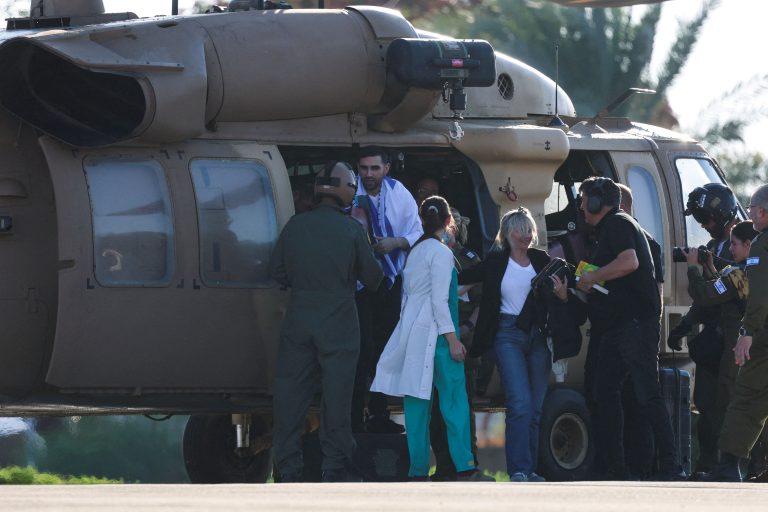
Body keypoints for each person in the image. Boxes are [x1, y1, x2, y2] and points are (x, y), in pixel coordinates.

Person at [270, 161, 384, 483]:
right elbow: (374, 278)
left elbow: (277, 272)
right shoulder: (351, 229)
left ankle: (288, 470)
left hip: (299, 317)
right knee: (337, 397)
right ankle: (334, 468)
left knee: (290, 396)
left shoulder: (295, 226)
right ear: (346, 192)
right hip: (339, 321)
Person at [370, 196, 492, 482]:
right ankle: (464, 468)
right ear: (450, 221)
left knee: (416, 409)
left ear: (422, 221)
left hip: (413, 336)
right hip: (438, 336)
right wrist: (452, 339)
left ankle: (417, 472)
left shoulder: (414, 253)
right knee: (454, 402)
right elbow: (440, 301)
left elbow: (410, 299)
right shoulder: (441, 253)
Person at [575, 176, 682, 481]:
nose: (581, 206)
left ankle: (670, 468)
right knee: (604, 389)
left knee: (647, 395)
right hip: (619, 325)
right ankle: (615, 467)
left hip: (635, 325)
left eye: (584, 199)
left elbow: (630, 261)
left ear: (598, 201)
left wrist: (594, 278)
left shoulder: (618, 223)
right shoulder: (613, 227)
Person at [459, 207, 568, 482]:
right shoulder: (496, 262)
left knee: (536, 406)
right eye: (520, 229)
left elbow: (568, 291)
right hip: (507, 333)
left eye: (529, 228)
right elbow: (463, 279)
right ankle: (518, 469)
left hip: (539, 335)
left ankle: (528, 469)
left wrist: (562, 295)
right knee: (519, 402)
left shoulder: (542, 260)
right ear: (507, 234)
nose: (526, 234)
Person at [685, 220, 768, 480]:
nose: (730, 249)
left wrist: (691, 267)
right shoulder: (743, 271)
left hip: (746, 347)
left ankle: (726, 465)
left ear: (748, 244)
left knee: (736, 405)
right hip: (753, 343)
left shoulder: (739, 273)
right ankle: (755, 468)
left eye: (734, 244)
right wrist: (711, 267)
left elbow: (707, 294)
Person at [666, 183, 738, 475]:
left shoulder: (745, 247)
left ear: (721, 214)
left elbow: (713, 292)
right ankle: (709, 465)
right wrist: (684, 325)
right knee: (706, 406)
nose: (704, 225)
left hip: (734, 341)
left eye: (706, 219)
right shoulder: (713, 248)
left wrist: (696, 268)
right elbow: (705, 301)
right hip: (713, 340)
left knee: (729, 406)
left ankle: (734, 466)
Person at [351, 146, 423, 434]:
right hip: (356, 285)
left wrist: (395, 243)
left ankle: (379, 414)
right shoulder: (350, 192)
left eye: (375, 169)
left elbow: (417, 232)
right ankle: (354, 419)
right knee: (359, 350)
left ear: (387, 168)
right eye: (364, 169)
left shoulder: (398, 192)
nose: (369, 174)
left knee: (383, 350)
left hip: (389, 282)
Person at [704, 184, 768, 482]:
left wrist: (748, 332)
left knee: (747, 399)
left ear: (763, 211)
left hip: (763, 337)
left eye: (753, 208)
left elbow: (760, 294)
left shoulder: (762, 245)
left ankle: (730, 464)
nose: (751, 212)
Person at [429, 207, 483, 481]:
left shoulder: (469, 260)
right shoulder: (429, 255)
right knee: (435, 407)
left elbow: (483, 301)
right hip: (434, 339)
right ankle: (444, 466)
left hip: (462, 340)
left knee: (462, 404)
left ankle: (468, 464)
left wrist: (468, 327)